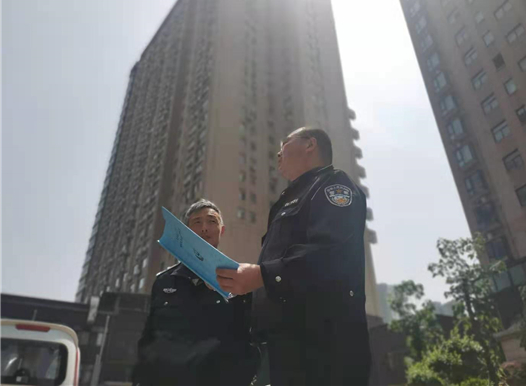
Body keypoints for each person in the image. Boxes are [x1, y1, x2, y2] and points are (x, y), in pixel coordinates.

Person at [216, 127, 372, 386]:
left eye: (284, 144)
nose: (278, 153)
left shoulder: (334, 185)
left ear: (310, 145)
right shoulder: (289, 198)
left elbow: (330, 254)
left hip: (322, 350)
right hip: (277, 348)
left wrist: (262, 275)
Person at [132, 199, 259, 386]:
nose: (205, 228)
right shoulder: (164, 281)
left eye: (212, 221)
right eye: (197, 222)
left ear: (221, 230)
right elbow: (148, 340)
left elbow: (249, 340)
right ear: (186, 231)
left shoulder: (238, 280)